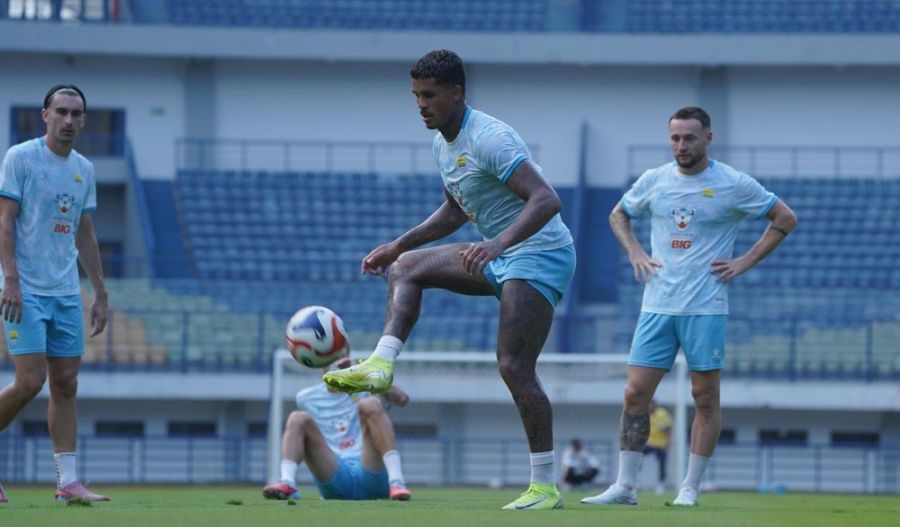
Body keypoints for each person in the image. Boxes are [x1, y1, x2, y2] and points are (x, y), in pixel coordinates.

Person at [324, 49, 576, 511]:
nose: (421, 105)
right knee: (406, 268)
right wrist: (397, 245)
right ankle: (380, 365)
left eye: (430, 95)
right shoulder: (443, 143)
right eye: (416, 96)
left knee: (513, 367)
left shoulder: (491, 139)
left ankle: (544, 487)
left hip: (539, 254)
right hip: (498, 254)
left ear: (457, 93)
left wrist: (496, 244)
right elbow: (457, 210)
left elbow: (546, 200)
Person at [582, 106, 797, 508]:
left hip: (705, 307)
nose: (681, 145)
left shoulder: (732, 183)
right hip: (657, 305)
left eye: (689, 138)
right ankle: (625, 486)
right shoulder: (655, 180)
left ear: (708, 138)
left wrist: (745, 261)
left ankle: (690, 488)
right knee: (635, 394)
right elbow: (619, 214)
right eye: (675, 138)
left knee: (705, 396)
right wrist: (635, 252)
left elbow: (784, 218)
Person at [0, 85, 110, 504]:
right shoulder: (21, 157)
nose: (68, 120)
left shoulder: (84, 169)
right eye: (61, 112)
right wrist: (10, 279)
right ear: (44, 115)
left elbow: (85, 231)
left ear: (84, 120)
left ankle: (68, 483)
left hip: (65, 291)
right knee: (30, 381)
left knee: (66, 384)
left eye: (75, 114)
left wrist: (100, 292)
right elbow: (4, 221)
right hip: (24, 289)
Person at [263, 355, 412, 501]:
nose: (336, 363)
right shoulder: (306, 398)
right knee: (297, 418)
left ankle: (396, 482)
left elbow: (402, 399)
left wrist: (363, 376)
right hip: (334, 472)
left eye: (339, 358)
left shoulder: (364, 387)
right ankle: (288, 482)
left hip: (370, 466)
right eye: (331, 358)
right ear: (321, 365)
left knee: (370, 403)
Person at [645, 400, 672, 494]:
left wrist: (668, 442)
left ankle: (661, 484)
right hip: (649, 443)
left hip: (661, 445)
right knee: (637, 457)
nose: (649, 407)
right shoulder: (646, 414)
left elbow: (669, 428)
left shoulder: (662, 413)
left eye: (650, 405)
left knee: (662, 465)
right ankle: (635, 481)